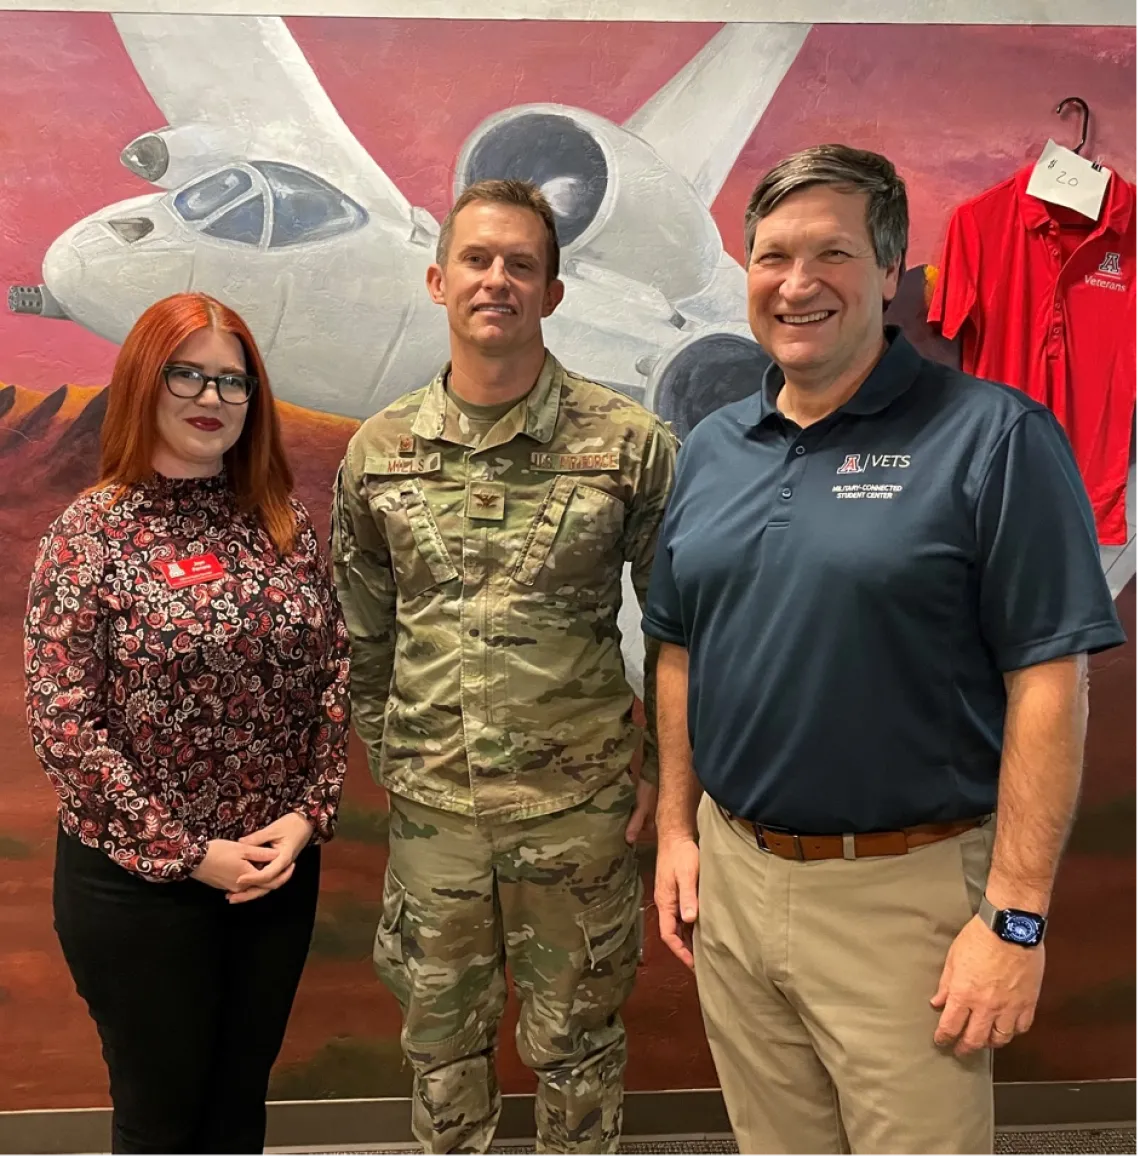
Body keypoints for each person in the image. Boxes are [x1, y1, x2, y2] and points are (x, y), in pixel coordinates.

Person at [644, 144, 1126, 1158]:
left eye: (833, 253)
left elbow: (1049, 680)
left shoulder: (994, 439)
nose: (798, 282)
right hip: (736, 880)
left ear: (890, 268)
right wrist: (681, 831)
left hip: (904, 898)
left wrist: (1017, 919)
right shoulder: (714, 448)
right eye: (773, 255)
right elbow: (679, 644)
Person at [331, 178, 676, 1157]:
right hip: (435, 816)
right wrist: (400, 760)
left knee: (577, 1048)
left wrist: (662, 777)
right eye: (477, 261)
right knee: (441, 1046)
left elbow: (681, 628)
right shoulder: (382, 453)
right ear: (439, 281)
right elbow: (362, 634)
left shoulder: (628, 447)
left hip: (577, 813)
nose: (498, 280)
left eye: (522, 264)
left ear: (553, 294)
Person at [24, 291, 350, 1158]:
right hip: (140, 886)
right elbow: (65, 723)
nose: (212, 398)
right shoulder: (90, 535)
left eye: (233, 382)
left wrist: (307, 815)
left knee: (239, 1108)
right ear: (144, 381)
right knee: (161, 1122)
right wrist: (186, 852)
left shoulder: (282, 524)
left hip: (269, 872)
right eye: (187, 374)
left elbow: (330, 676)